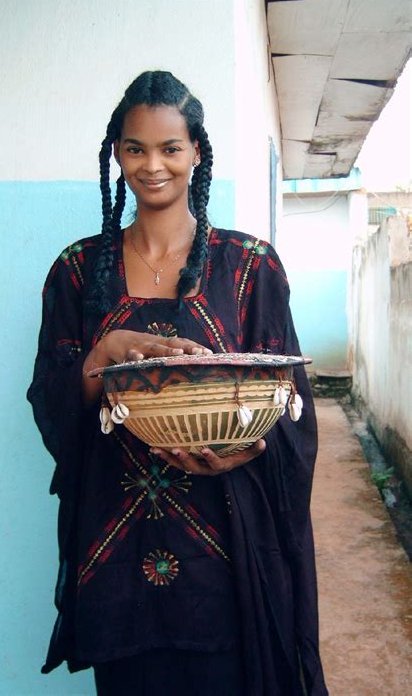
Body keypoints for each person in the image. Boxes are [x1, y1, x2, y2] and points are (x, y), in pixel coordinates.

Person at [27, 70, 328, 696]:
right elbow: (50, 400)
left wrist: (252, 450)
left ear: (196, 152)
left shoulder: (249, 266)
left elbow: (293, 408)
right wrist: (103, 353)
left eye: (170, 148)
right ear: (117, 154)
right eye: (135, 148)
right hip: (113, 546)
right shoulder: (79, 270)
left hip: (228, 544)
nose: (152, 165)